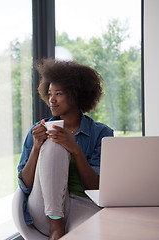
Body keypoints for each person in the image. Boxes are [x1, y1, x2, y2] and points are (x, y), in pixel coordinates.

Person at [17, 59, 113, 239]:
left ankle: (60, 226)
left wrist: (75, 149)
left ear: (76, 95)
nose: (51, 100)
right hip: (43, 207)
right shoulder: (38, 130)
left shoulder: (101, 133)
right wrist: (37, 148)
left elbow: (98, 188)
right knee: (54, 142)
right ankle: (56, 225)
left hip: (81, 204)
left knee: (92, 234)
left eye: (58, 94)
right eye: (50, 93)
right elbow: (25, 184)